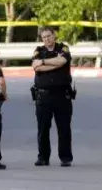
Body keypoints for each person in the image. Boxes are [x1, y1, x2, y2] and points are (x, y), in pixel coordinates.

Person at [31, 26, 75, 167]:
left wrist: (44, 62)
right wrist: (55, 64)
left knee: (64, 128)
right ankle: (43, 157)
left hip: (62, 95)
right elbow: (36, 67)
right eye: (44, 37)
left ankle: (65, 157)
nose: (47, 39)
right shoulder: (39, 50)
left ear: (54, 35)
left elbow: (63, 61)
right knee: (43, 128)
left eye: (49, 36)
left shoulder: (63, 48)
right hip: (43, 96)